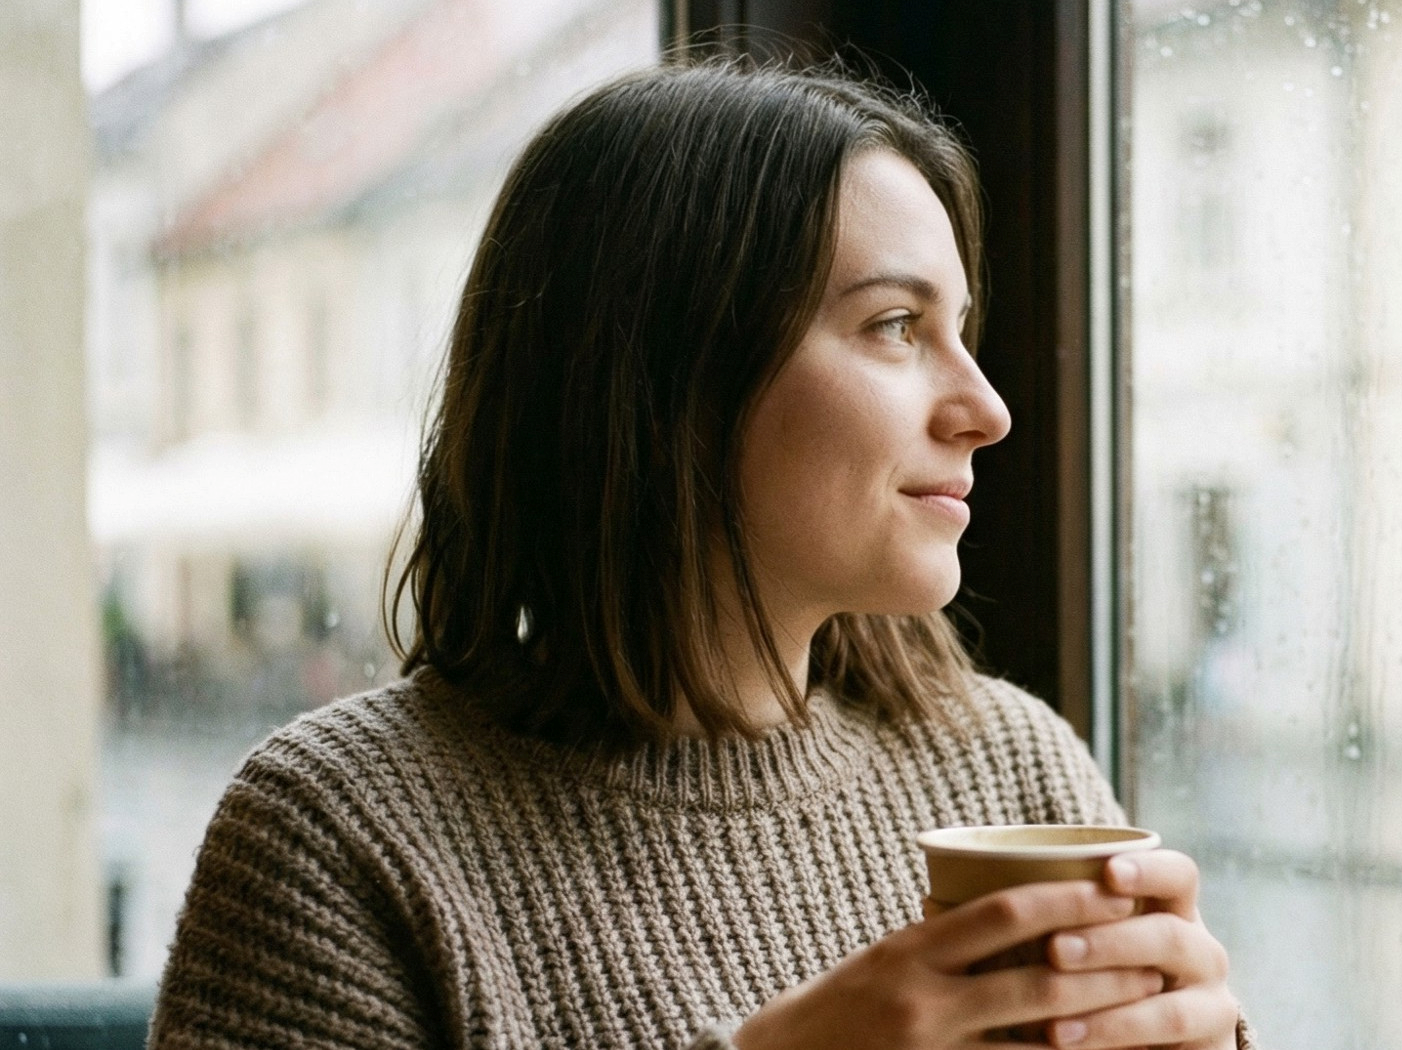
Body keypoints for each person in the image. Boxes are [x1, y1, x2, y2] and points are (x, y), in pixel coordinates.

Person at [148, 60, 1248, 1049]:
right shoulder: (339, 837)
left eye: (959, 329)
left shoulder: (1009, 766)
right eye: (893, 327)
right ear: (665, 379)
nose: (985, 409)